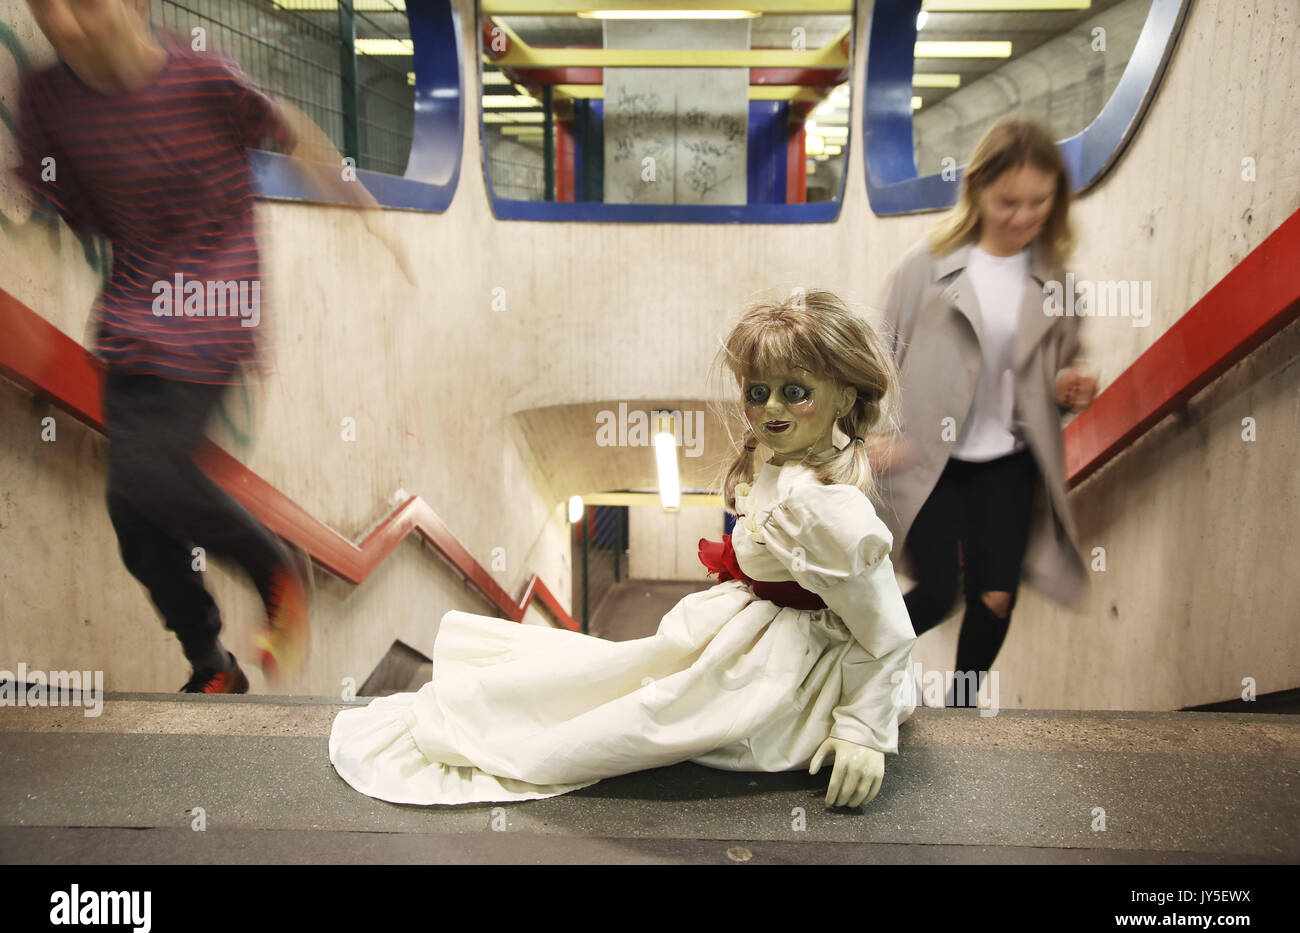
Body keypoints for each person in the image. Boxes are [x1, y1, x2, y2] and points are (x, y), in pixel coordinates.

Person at [329, 290, 917, 808]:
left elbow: (887, 629)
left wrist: (863, 733)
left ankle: (500, 724)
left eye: (796, 393)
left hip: (788, 675)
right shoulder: (789, 471)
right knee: (620, 690)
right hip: (749, 639)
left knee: (631, 718)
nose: (770, 409)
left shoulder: (825, 509)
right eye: (758, 392)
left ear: (844, 397)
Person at [9, 0, 388, 691]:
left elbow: (288, 130)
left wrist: (355, 200)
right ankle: (211, 664)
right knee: (134, 514)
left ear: (134, 6)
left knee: (146, 473)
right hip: (130, 321)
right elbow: (47, 206)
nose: (65, 22)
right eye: (46, 6)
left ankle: (276, 567)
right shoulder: (45, 98)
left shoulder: (203, 78)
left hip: (214, 310)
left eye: (85, 3)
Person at [872, 117, 1097, 707]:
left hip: (1008, 460)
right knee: (938, 591)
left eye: (1038, 202)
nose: (1024, 216)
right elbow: (875, 359)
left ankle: (961, 709)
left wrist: (1068, 388)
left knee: (998, 596)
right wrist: (876, 436)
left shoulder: (1056, 282)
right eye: (1008, 202)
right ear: (977, 192)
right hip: (930, 457)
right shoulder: (925, 267)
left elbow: (1055, 375)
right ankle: (846, 653)